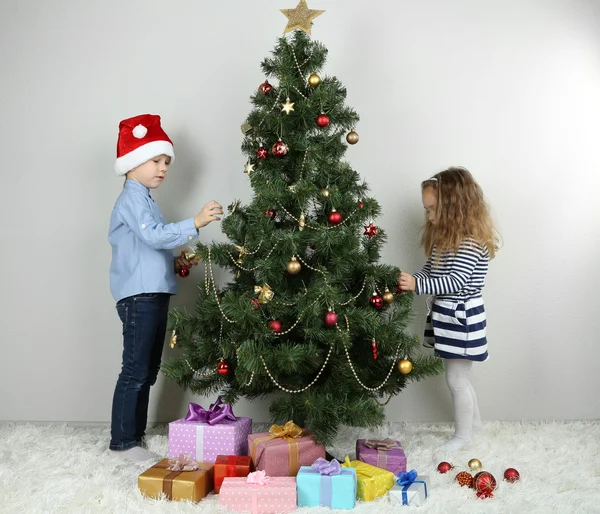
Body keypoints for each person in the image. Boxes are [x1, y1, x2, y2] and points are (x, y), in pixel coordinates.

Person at [108, 113, 223, 461]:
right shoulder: (132, 200)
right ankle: (123, 443)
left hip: (151, 293)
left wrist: (175, 264)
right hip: (139, 297)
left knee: (147, 368)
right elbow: (154, 237)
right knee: (136, 369)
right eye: (156, 160)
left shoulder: (145, 200)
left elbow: (147, 250)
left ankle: (133, 435)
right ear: (133, 162)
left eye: (166, 162)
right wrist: (196, 222)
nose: (163, 168)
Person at [398, 167, 499, 451]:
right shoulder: (445, 242)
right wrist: (413, 279)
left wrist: (417, 284)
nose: (428, 216)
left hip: (462, 317)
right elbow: (429, 270)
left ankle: (463, 436)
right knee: (459, 377)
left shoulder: (469, 243)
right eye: (427, 210)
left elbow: (455, 282)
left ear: (454, 207)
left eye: (432, 210)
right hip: (449, 316)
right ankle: (474, 425)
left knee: (456, 378)